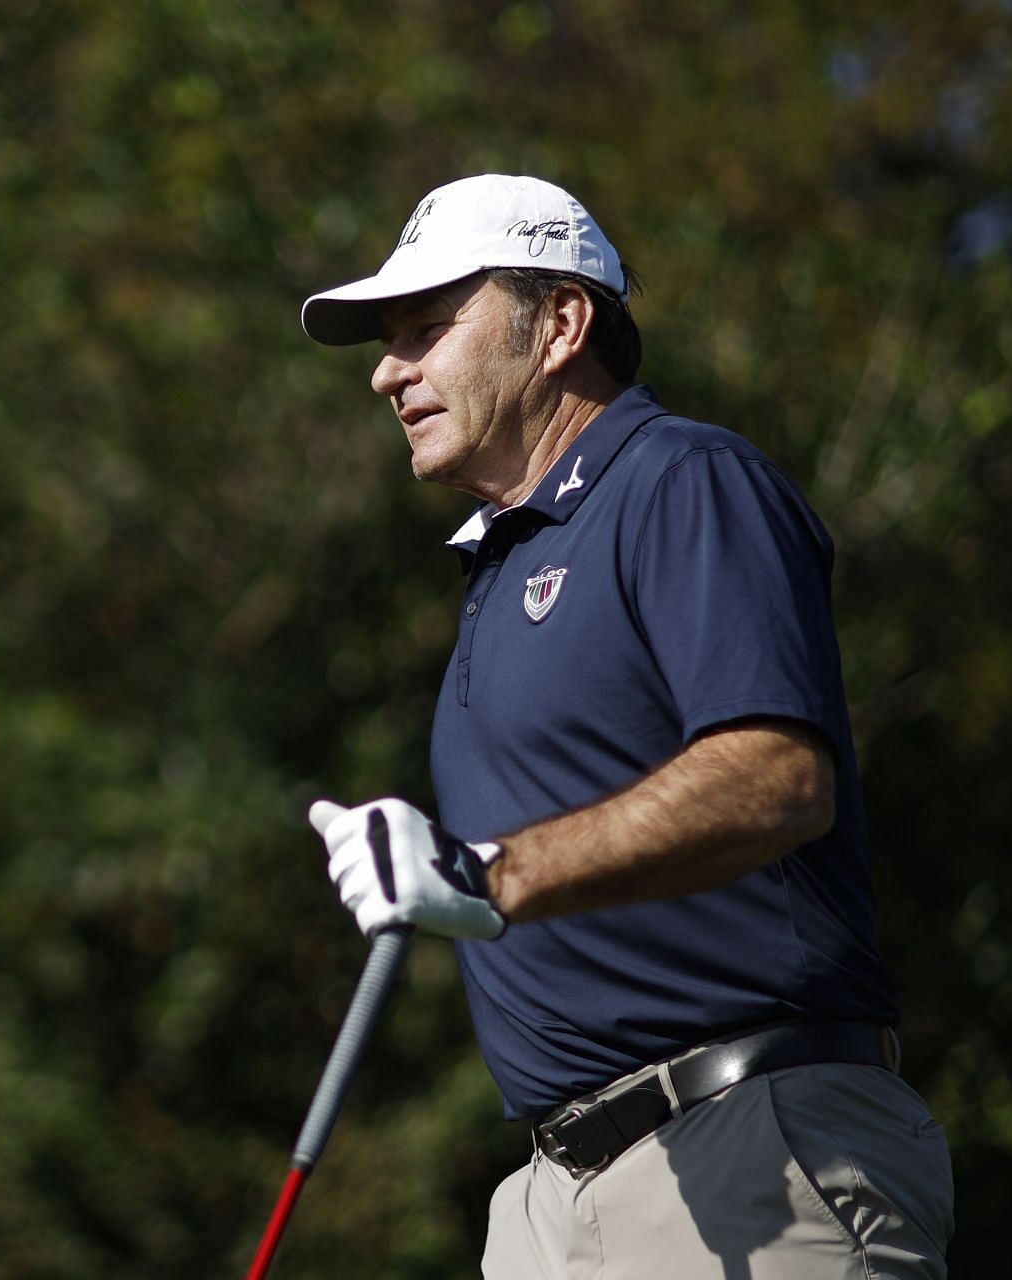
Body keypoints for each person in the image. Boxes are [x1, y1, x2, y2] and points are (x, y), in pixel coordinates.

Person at [298, 174, 954, 1278]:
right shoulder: (502, 563)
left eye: (425, 329)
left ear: (560, 324)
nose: (386, 370)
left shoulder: (683, 480)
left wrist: (486, 869)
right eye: (386, 340)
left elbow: (778, 776)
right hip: (552, 1199)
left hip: (752, 1149)